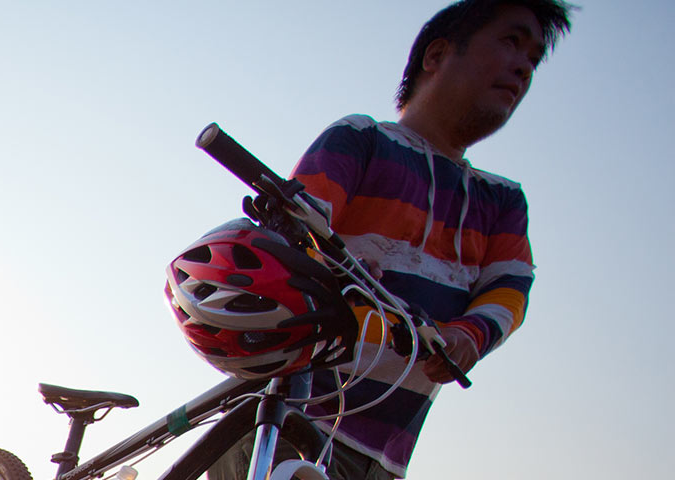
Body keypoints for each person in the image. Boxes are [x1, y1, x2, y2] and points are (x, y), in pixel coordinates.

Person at [207, 1, 572, 479]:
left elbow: (511, 286)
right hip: (287, 417)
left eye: (534, 58)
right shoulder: (361, 138)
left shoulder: (502, 200)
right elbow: (297, 230)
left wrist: (469, 335)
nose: (524, 65)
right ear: (437, 55)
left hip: (387, 455)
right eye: (511, 41)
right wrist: (329, 268)